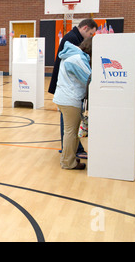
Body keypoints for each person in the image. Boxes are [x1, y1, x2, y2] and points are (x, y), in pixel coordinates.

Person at [48, 18, 97, 158]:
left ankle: (70, 149)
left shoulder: (71, 38)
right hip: (68, 90)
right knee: (70, 126)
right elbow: (83, 74)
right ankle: (70, 151)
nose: (90, 37)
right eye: (91, 34)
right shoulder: (73, 40)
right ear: (85, 28)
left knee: (69, 124)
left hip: (64, 89)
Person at [53, 37, 92, 170]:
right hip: (70, 99)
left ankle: (69, 158)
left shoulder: (71, 55)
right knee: (71, 132)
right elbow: (90, 79)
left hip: (64, 97)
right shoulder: (78, 58)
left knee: (70, 131)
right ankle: (68, 163)